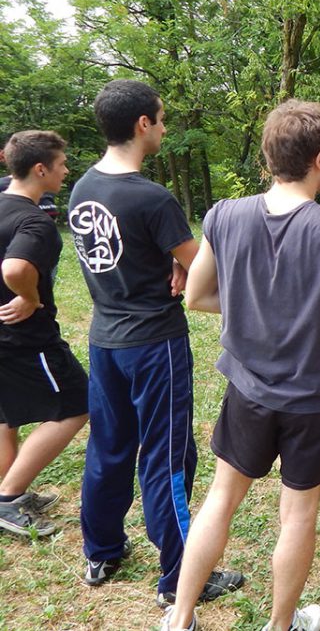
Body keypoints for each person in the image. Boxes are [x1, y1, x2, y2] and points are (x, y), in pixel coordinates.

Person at [162, 100, 320, 631]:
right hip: (312, 400)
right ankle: (281, 625)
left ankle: (181, 617)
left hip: (247, 392)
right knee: (298, 515)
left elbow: (196, 296)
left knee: (220, 500)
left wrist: (252, 306)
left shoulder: (223, 215)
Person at [69, 80, 242, 605]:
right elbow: (207, 272)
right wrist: (186, 263)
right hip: (153, 345)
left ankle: (101, 550)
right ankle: (180, 578)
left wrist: (174, 261)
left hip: (105, 340)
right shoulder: (151, 198)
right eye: (161, 119)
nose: (165, 128)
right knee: (167, 457)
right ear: (142, 124)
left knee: (109, 444)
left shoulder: (82, 189)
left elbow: (132, 254)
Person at [0, 131, 88, 537]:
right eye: (62, 163)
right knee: (78, 404)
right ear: (40, 169)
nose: (66, 170)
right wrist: (30, 297)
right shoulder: (35, 221)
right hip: (26, 340)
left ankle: (6, 491)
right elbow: (15, 268)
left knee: (7, 415)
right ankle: (9, 497)